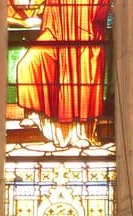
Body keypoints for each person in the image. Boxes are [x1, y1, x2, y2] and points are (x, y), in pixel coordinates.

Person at [15, 0, 112, 149]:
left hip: (85, 37)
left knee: (81, 77)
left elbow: (99, 12)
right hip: (56, 34)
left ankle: (81, 131)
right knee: (27, 64)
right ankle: (36, 113)